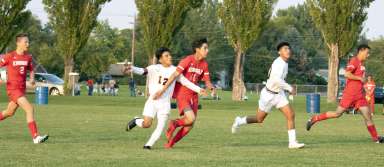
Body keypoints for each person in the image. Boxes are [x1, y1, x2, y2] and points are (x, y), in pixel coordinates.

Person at [125, 47, 206, 149]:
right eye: (166, 56)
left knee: (160, 127)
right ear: (160, 59)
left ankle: (148, 145)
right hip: (152, 101)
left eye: (170, 55)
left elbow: (185, 82)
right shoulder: (154, 68)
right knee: (146, 124)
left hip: (164, 104)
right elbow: (142, 71)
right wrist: (131, 68)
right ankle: (136, 120)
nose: (170, 57)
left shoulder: (175, 70)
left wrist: (199, 89)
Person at [231, 42, 305, 149]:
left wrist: (286, 89)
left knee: (291, 115)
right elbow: (276, 80)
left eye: (288, 49)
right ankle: (239, 121)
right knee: (259, 119)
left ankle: (292, 142)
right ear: (279, 52)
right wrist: (289, 88)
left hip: (279, 95)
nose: (288, 50)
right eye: (285, 49)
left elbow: (280, 81)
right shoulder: (279, 63)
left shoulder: (285, 63)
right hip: (268, 95)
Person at [306, 44, 384, 143]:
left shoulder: (362, 63)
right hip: (350, 95)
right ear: (361, 51)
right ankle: (314, 118)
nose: (368, 55)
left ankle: (376, 138)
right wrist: (360, 78)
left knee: (368, 116)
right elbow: (347, 74)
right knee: (337, 113)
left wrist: (362, 84)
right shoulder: (354, 61)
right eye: (367, 53)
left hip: (360, 96)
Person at [153, 38, 215, 149]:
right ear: (197, 49)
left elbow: (207, 80)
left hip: (194, 95)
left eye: (207, 48)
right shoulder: (187, 60)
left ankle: (171, 143)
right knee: (191, 118)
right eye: (205, 48)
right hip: (182, 94)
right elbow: (174, 75)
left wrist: (211, 87)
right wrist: (162, 90)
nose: (207, 50)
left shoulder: (204, 64)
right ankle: (174, 123)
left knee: (189, 125)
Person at [0, 33, 49, 144]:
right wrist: (1, 77)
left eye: (28, 41)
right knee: (29, 109)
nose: (28, 44)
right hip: (13, 89)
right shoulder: (10, 56)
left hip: (21, 89)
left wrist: (32, 79)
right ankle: (36, 137)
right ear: (18, 43)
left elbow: (31, 70)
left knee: (9, 112)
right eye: (25, 42)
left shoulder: (28, 57)